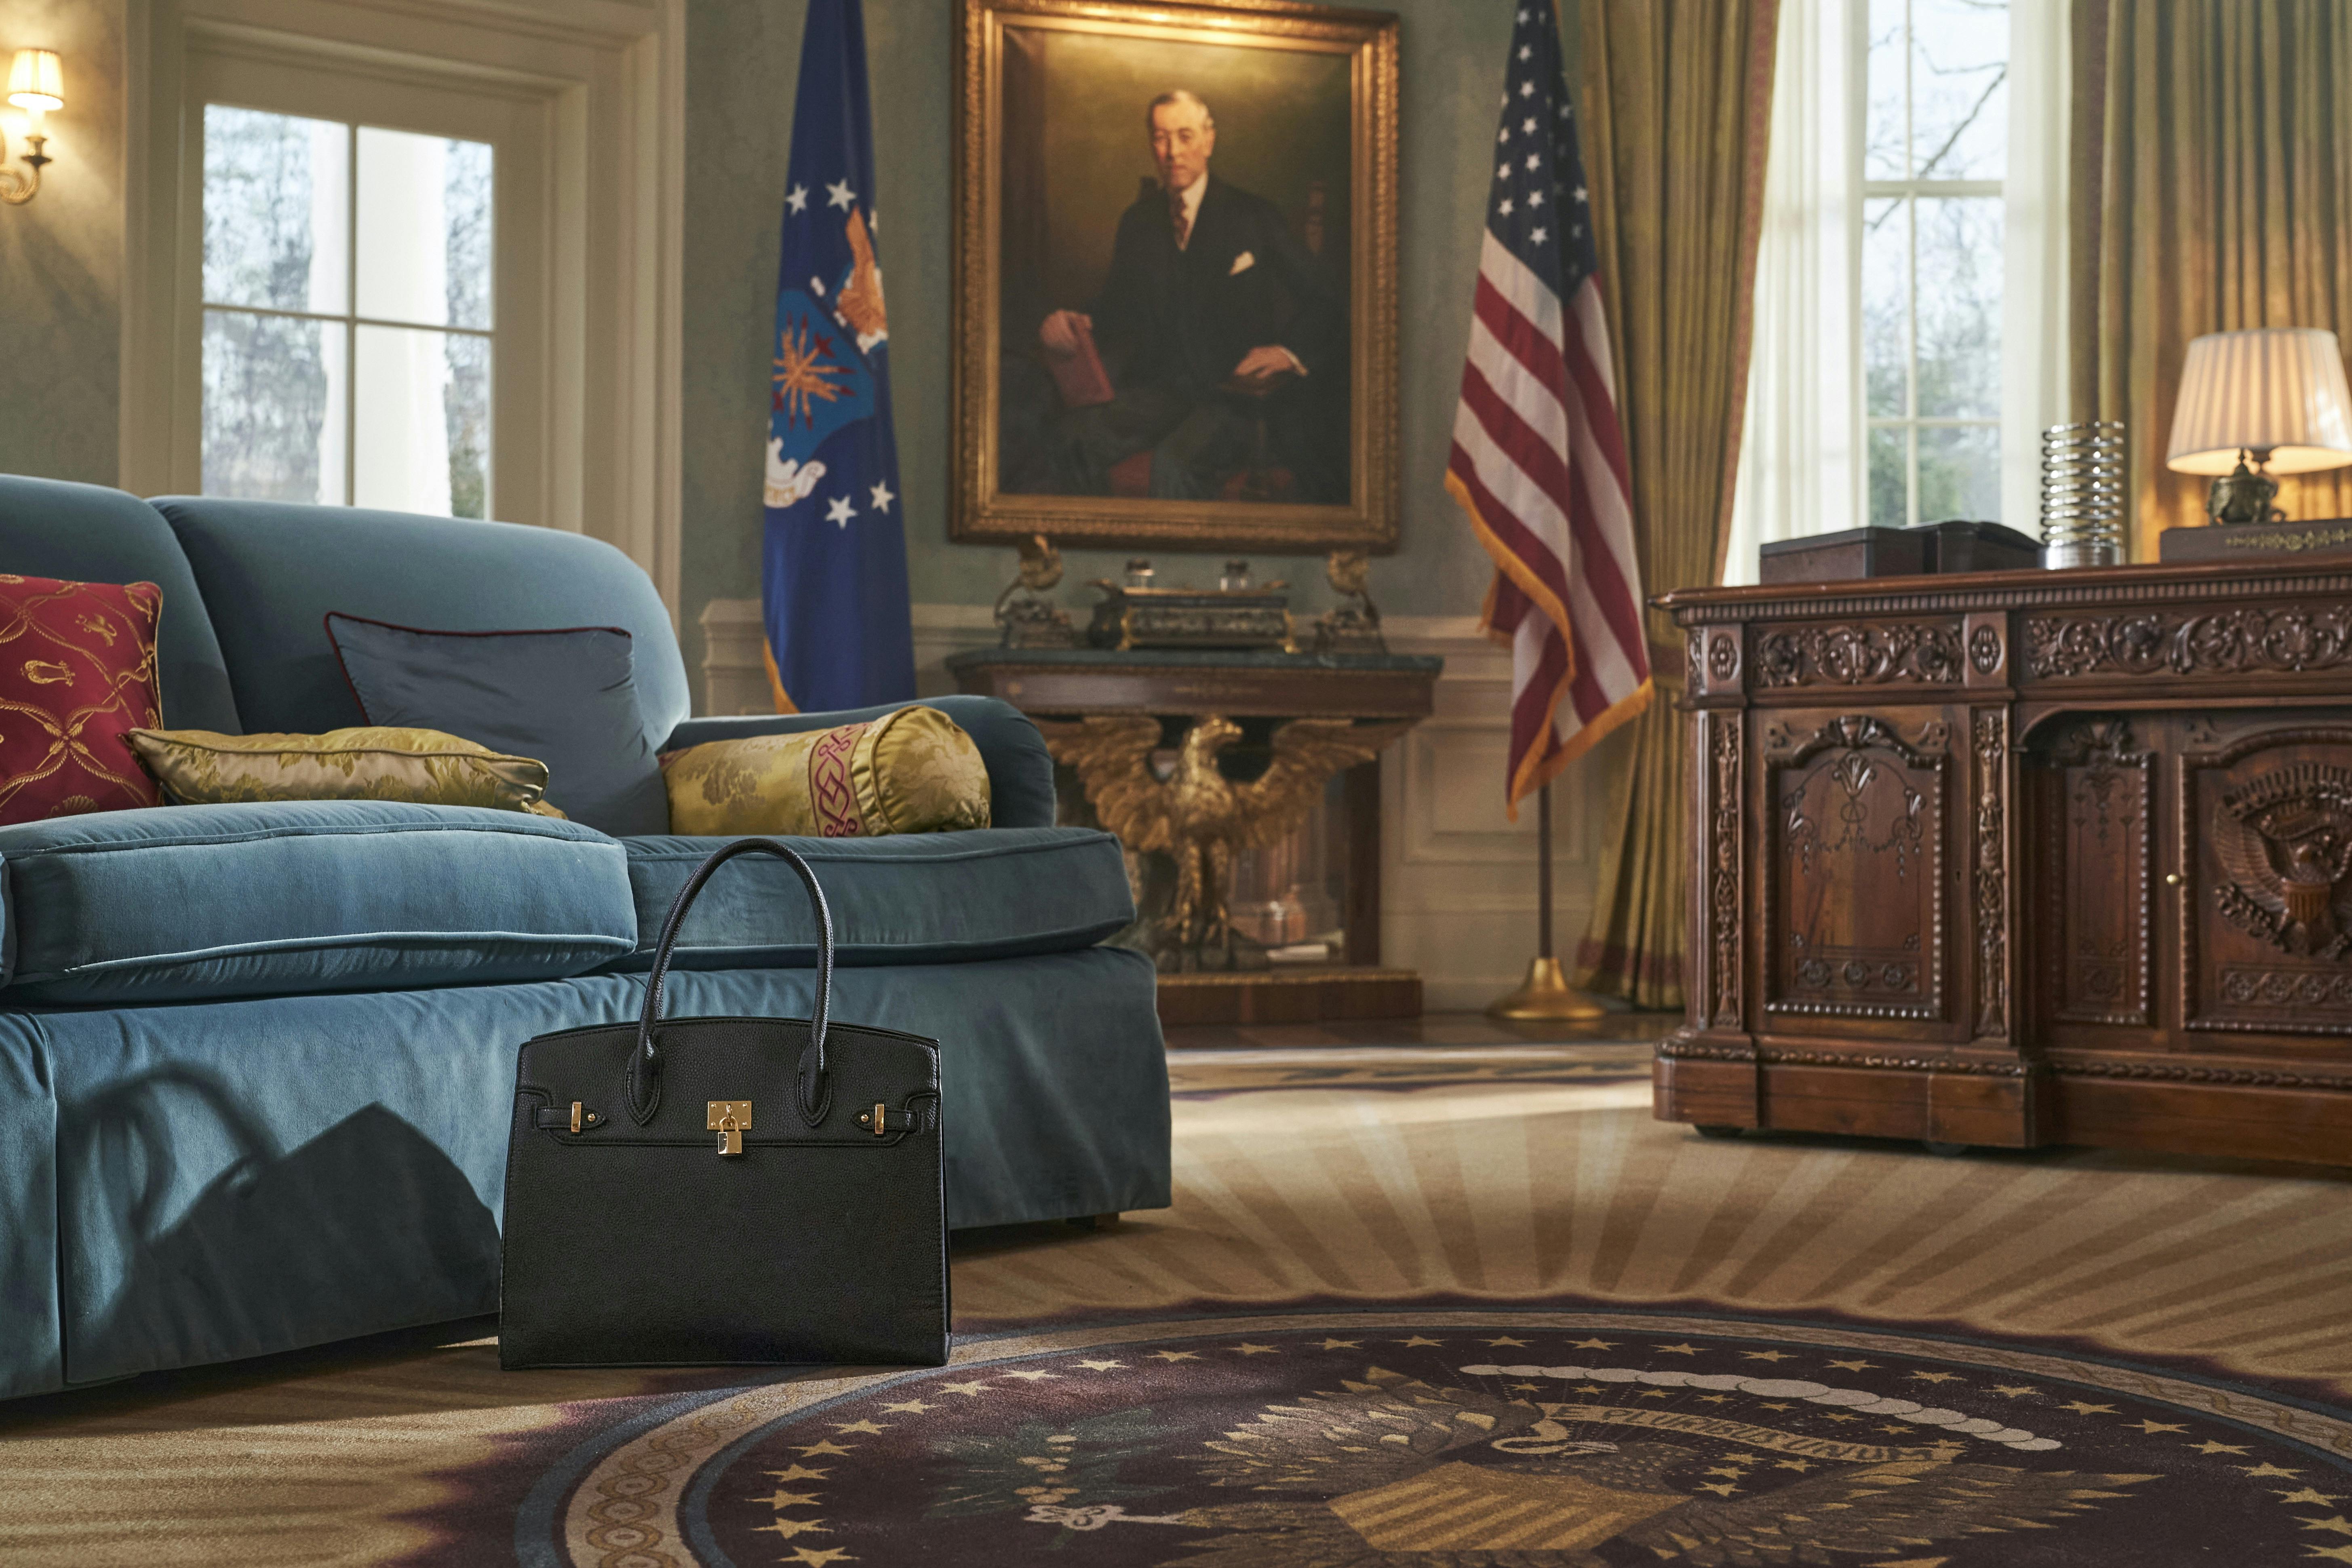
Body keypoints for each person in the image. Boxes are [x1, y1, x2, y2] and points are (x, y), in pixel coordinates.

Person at [1037, 89, 1345, 502]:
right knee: (1070, 438)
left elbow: (1325, 298)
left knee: (1173, 464)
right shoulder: (1139, 222)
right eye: (1161, 138)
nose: (1172, 152)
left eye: (1185, 136)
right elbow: (1115, 308)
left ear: (1209, 141)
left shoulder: (1253, 215)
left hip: (1235, 399)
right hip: (1163, 393)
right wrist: (1068, 320)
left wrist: (1288, 351)